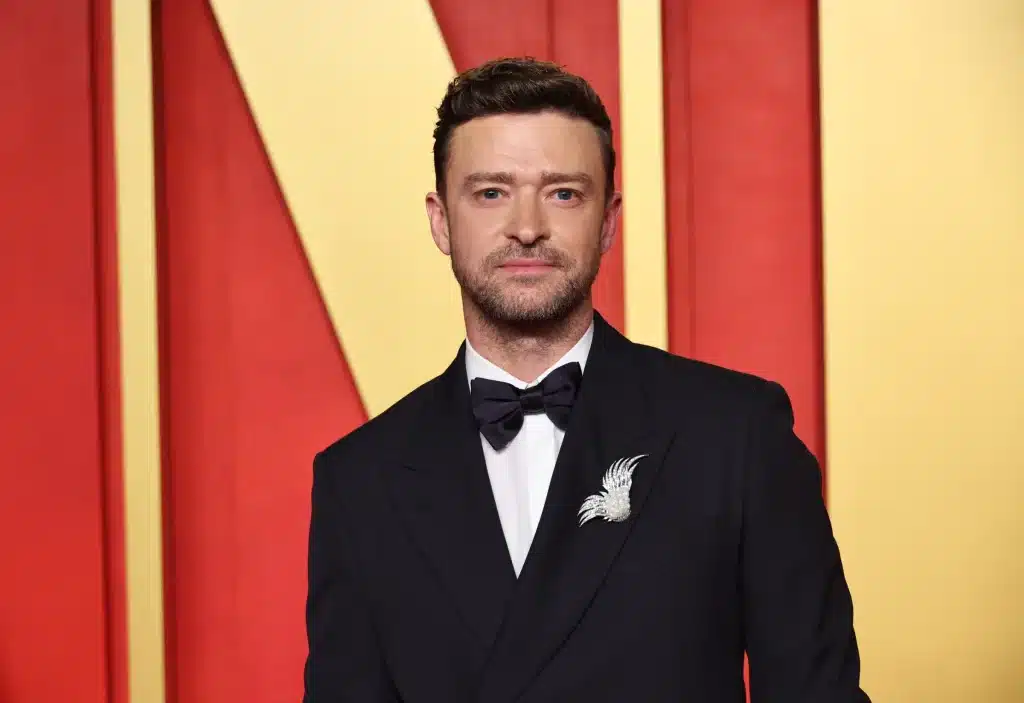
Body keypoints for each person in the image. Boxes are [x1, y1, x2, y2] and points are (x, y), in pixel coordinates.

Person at [302, 57, 870, 702]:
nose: (526, 226)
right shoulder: (360, 479)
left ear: (608, 220)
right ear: (440, 221)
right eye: (491, 192)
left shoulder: (735, 435)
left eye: (563, 193)